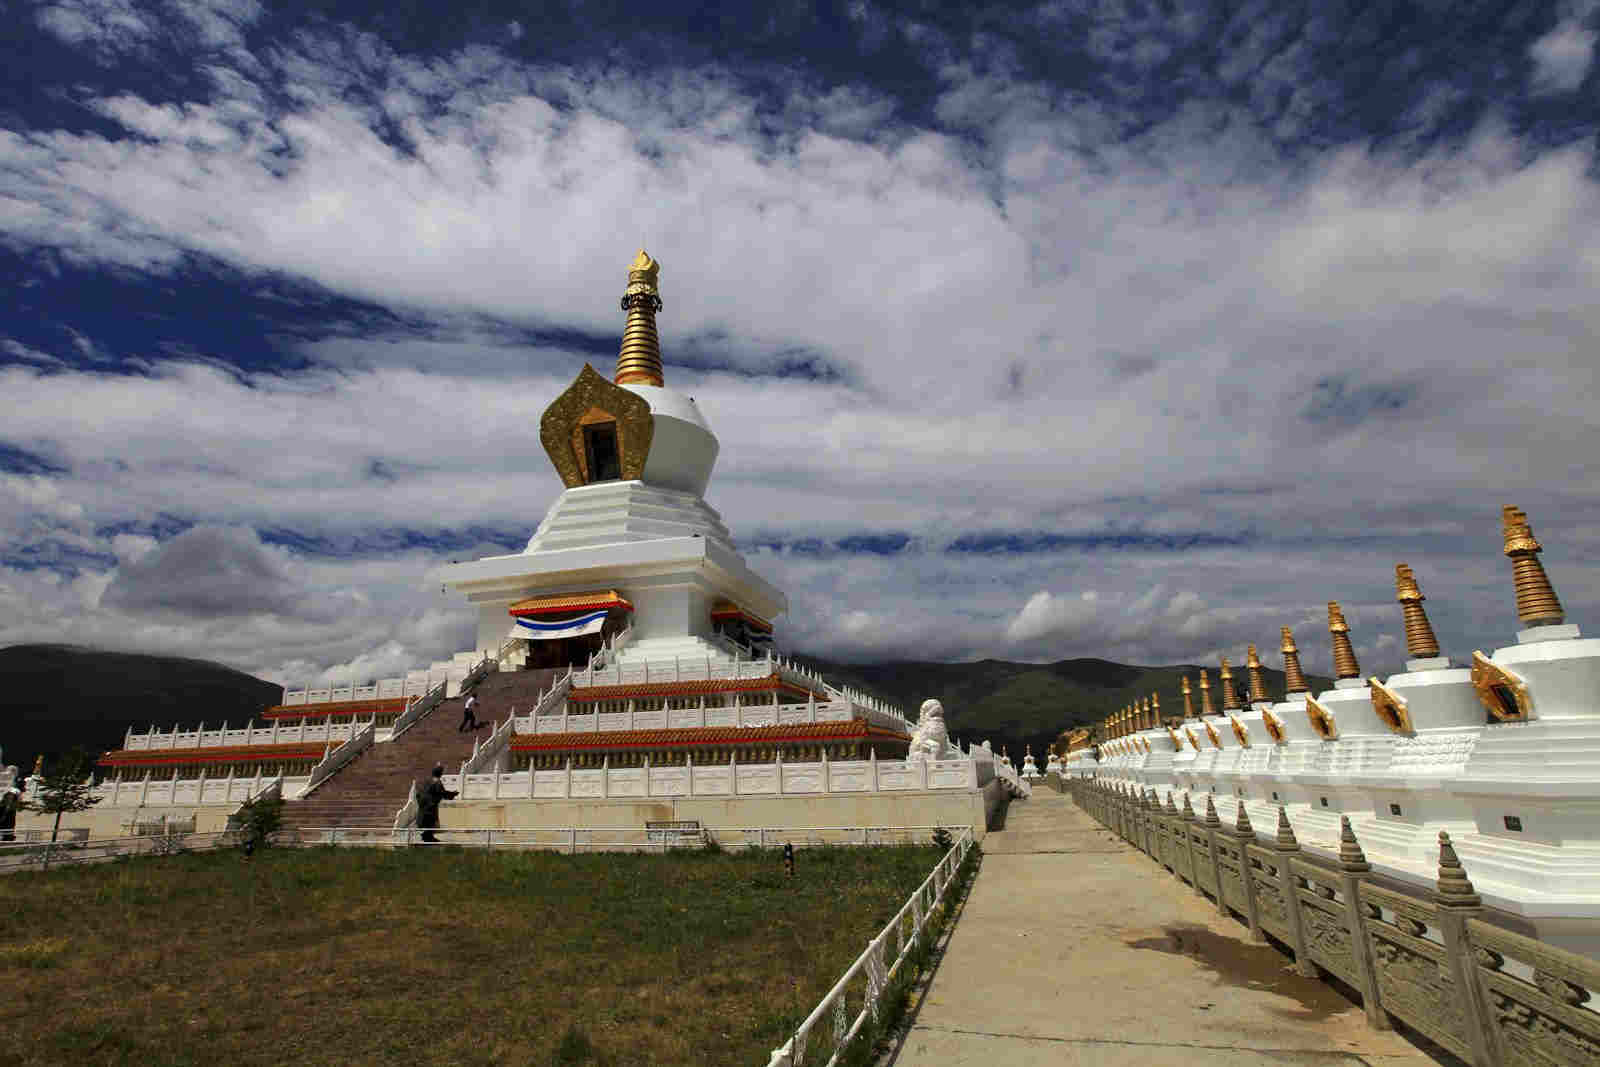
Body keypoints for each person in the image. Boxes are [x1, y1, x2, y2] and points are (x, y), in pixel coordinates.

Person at [415, 764, 457, 843]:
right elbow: (442, 793)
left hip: (423, 804)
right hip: (430, 805)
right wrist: (452, 794)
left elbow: (418, 792)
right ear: (440, 773)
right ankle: (428, 837)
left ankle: (427, 836)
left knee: (426, 821)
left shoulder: (427, 781)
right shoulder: (437, 782)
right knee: (430, 821)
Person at [0, 778, 20, 842]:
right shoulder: (3, 805)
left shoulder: (12, 807)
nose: (10, 799)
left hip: (8, 823)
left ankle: (8, 837)